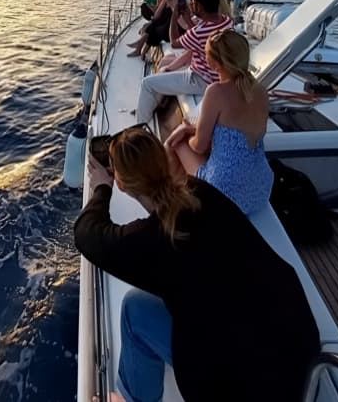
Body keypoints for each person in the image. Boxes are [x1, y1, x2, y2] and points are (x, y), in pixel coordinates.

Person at [74, 126, 320, 402]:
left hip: (248, 388)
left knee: (134, 310)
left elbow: (87, 234)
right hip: (302, 354)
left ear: (121, 182)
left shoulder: (151, 242)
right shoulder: (201, 193)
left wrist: (100, 190)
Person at [166, 28, 274, 215]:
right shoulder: (261, 91)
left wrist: (186, 132)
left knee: (175, 142)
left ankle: (179, 203)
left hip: (224, 193)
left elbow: (199, 147)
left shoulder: (215, 92)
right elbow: (236, 131)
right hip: (260, 189)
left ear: (215, 63)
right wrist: (197, 129)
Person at [135, 0, 233, 123]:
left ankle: (141, 127)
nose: (191, 5)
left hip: (200, 79)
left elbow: (174, 42)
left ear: (200, 7)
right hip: (216, 76)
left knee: (147, 84)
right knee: (164, 69)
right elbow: (201, 40)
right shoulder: (226, 21)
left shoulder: (199, 32)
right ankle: (150, 107)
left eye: (193, 3)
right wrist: (187, 18)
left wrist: (175, 15)